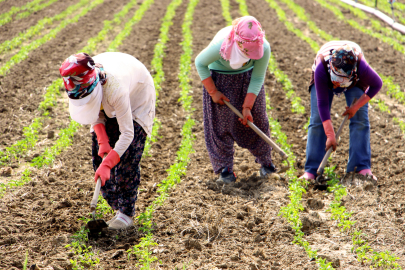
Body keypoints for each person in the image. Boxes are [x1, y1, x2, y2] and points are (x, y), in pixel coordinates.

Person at [59, 52, 155, 229]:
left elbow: (128, 133)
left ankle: (126, 213)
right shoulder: (77, 85)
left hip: (137, 98)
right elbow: (92, 109)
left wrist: (109, 163)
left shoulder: (115, 89)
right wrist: (103, 140)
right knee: (98, 156)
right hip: (110, 97)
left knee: (127, 157)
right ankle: (117, 207)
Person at [195, 16, 275, 184]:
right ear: (238, 44)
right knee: (221, 125)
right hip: (220, 80)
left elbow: (258, 76)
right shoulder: (220, 46)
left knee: (259, 118)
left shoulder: (264, 46)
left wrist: (247, 107)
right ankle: (225, 170)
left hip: (248, 79)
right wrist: (213, 92)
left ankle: (266, 164)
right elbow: (200, 63)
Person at [301, 41, 382, 181]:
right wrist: (330, 134)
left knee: (360, 119)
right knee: (317, 120)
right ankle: (312, 171)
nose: (338, 84)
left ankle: (360, 168)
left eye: (341, 81)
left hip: (354, 81)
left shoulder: (361, 67)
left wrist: (356, 107)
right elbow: (322, 103)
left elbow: (377, 84)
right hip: (326, 77)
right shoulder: (322, 67)